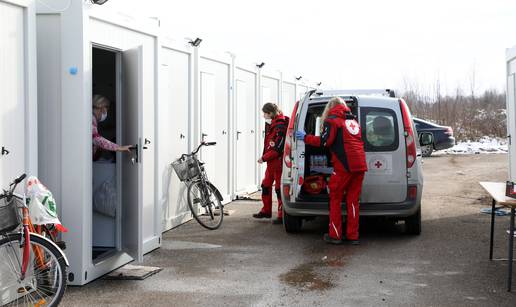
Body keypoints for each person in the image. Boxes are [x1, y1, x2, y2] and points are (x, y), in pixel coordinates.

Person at [295, 97, 367, 245]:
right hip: (360, 166)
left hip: (344, 167)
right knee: (353, 201)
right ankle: (353, 236)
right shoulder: (352, 121)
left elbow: (324, 142)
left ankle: (335, 235)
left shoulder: (332, 120)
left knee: (335, 198)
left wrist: (305, 138)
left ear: (331, 107)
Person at [253, 103, 288, 224]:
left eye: (265, 113)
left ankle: (281, 215)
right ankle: (266, 210)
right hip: (271, 163)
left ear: (270, 113)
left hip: (277, 163)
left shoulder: (280, 126)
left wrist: (264, 158)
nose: (263, 116)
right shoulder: (271, 124)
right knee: (266, 185)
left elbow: (278, 148)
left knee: (279, 189)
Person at [92, 94, 132, 160]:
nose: (105, 112)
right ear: (101, 108)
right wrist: (120, 148)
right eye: (106, 108)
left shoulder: (91, 118)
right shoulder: (92, 118)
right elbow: (97, 139)